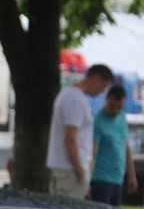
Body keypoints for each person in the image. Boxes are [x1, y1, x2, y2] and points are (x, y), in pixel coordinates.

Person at [46, 63, 115, 199]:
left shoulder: (69, 95)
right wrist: (80, 172)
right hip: (70, 171)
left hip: (67, 169)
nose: (102, 91)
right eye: (104, 86)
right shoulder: (76, 99)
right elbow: (70, 139)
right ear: (96, 78)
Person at [89, 84, 138, 206]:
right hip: (101, 179)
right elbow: (93, 152)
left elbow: (126, 147)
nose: (115, 111)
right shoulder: (98, 121)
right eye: (112, 107)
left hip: (118, 178)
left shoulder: (122, 117)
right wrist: (87, 181)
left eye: (119, 107)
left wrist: (132, 175)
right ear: (106, 100)